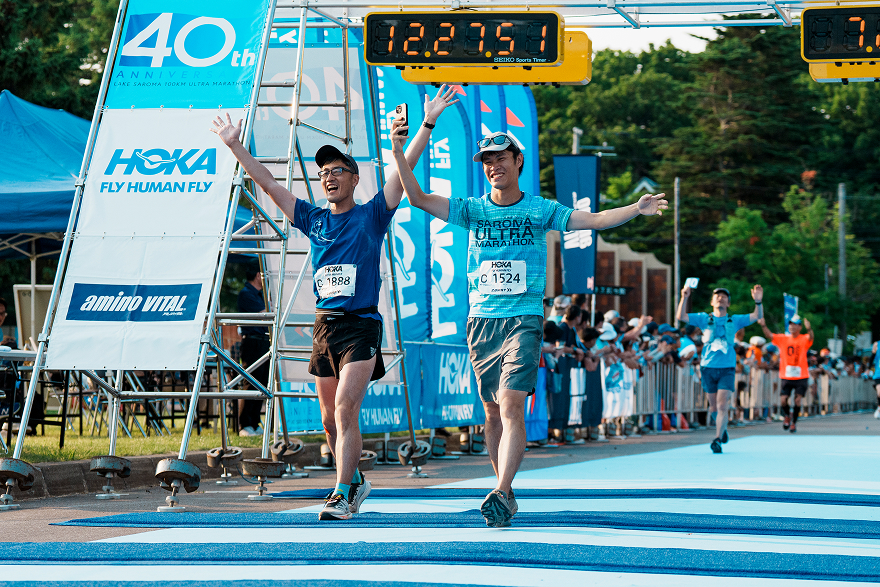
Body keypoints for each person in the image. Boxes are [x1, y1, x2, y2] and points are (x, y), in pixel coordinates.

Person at [391, 127, 667, 527]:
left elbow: (594, 220)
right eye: (487, 160)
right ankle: (504, 487)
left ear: (518, 161)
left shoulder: (540, 210)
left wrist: (634, 209)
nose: (493, 166)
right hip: (481, 321)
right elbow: (416, 199)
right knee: (491, 413)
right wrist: (399, 151)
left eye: (500, 157)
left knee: (511, 403)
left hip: (523, 318)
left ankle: (501, 490)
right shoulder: (472, 209)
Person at [212, 85, 460, 521]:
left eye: (338, 170)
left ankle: (343, 492)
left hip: (362, 325)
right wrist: (235, 145)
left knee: (347, 407)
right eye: (323, 170)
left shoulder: (373, 213)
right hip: (324, 328)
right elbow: (268, 183)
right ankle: (357, 479)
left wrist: (427, 122)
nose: (329, 176)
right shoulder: (313, 218)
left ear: (354, 178)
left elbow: (404, 172)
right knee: (330, 421)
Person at [677, 284, 763, 453]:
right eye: (717, 296)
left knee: (722, 405)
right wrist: (684, 297)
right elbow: (681, 316)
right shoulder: (704, 319)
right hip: (708, 368)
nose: (720, 298)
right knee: (714, 407)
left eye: (724, 297)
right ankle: (722, 430)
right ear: (712, 301)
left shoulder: (734, 320)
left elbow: (756, 316)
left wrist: (758, 302)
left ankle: (717, 439)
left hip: (727, 368)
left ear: (728, 303)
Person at [759, 315, 814, 432]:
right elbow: (769, 335)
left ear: (799, 327)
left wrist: (809, 328)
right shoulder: (783, 338)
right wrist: (763, 325)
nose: (792, 326)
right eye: (790, 324)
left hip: (801, 375)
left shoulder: (804, 338)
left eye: (794, 324)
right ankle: (787, 416)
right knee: (783, 399)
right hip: (787, 375)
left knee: (798, 400)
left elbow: (811, 338)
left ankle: (794, 422)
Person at [237, 264, 269, 436]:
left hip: (264, 342)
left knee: (262, 383)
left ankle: (255, 423)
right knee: (250, 382)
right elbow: (265, 313)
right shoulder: (246, 293)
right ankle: (245, 424)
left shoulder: (258, 294)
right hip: (252, 342)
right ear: (259, 275)